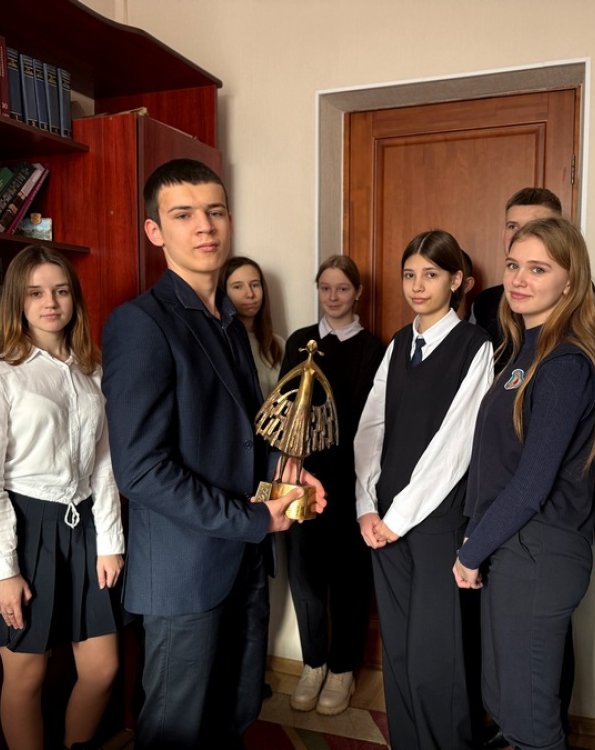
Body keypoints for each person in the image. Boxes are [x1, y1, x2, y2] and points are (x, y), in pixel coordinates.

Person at [101, 158, 325, 749]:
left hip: (243, 563)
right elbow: (141, 471)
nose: (205, 226)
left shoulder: (229, 322)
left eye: (215, 211)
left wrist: (287, 470)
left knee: (236, 713)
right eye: (183, 215)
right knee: (176, 732)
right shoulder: (139, 324)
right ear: (155, 232)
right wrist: (252, 519)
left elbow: (242, 435)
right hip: (185, 573)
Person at [0, 245, 125, 750]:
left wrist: (111, 541)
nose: (51, 303)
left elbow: (104, 463)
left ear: (74, 299)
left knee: (103, 668)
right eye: (36, 293)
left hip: (85, 527)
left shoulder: (92, 370)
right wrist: (3, 570)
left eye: (61, 291)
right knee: (27, 674)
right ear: (17, 302)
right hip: (23, 530)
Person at [453, 217, 595, 750]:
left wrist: (472, 551)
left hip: (539, 551)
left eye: (538, 269)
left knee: (529, 722)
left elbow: (532, 482)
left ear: (570, 282)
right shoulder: (524, 349)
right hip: (512, 545)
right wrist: (479, 538)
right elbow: (498, 463)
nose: (519, 279)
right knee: (503, 703)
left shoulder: (565, 361)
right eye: (513, 265)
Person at [355, 229, 493, 749]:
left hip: (435, 522)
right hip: (382, 520)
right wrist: (366, 506)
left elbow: (457, 445)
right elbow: (371, 429)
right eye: (409, 274)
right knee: (399, 651)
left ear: (456, 280)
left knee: (436, 656)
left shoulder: (476, 347)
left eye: (430, 275)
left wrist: (397, 517)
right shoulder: (397, 343)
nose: (417, 285)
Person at [281, 255, 385, 715]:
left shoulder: (373, 348)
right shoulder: (300, 341)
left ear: (357, 292)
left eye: (343, 288)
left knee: (348, 580)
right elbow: (284, 407)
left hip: (351, 479)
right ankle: (313, 664)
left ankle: (342, 669)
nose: (333, 297)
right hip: (303, 479)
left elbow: (373, 422)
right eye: (325, 288)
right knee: (304, 578)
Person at [471, 187, 563, 351]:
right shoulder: (484, 302)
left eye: (534, 227)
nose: (520, 235)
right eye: (512, 226)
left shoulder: (578, 297)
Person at [220, 256, 285, 397]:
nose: (250, 294)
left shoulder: (278, 344)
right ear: (224, 292)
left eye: (255, 285)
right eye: (238, 287)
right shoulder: (219, 343)